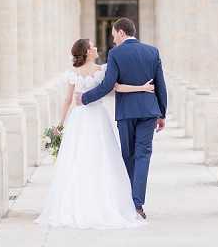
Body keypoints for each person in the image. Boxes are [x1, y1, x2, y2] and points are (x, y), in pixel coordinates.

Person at [35, 38, 154, 229]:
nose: (97, 48)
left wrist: (62, 122)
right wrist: (60, 124)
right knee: (87, 159)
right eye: (93, 46)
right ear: (87, 51)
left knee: (92, 159)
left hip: (83, 117)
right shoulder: (99, 71)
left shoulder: (98, 70)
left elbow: (69, 100)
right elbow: (114, 89)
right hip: (91, 117)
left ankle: (89, 202)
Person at [75, 17, 167, 220]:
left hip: (126, 113)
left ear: (122, 33)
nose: (113, 38)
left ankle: (127, 201)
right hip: (149, 111)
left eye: (114, 34)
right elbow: (161, 84)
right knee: (143, 155)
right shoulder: (152, 52)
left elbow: (108, 85)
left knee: (128, 155)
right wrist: (162, 113)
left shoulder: (116, 53)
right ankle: (137, 204)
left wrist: (85, 98)